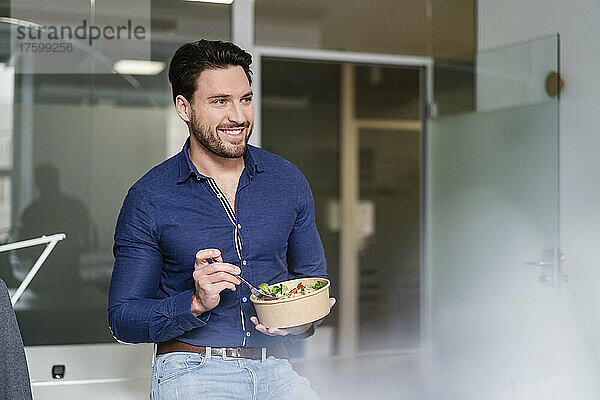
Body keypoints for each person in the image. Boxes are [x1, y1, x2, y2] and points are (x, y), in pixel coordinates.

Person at [108, 39, 335, 400]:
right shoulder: (150, 197)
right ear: (184, 107)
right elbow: (123, 318)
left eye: (245, 99)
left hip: (277, 367)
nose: (239, 116)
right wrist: (195, 302)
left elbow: (312, 282)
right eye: (220, 102)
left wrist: (300, 317)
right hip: (193, 370)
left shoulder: (287, 180)